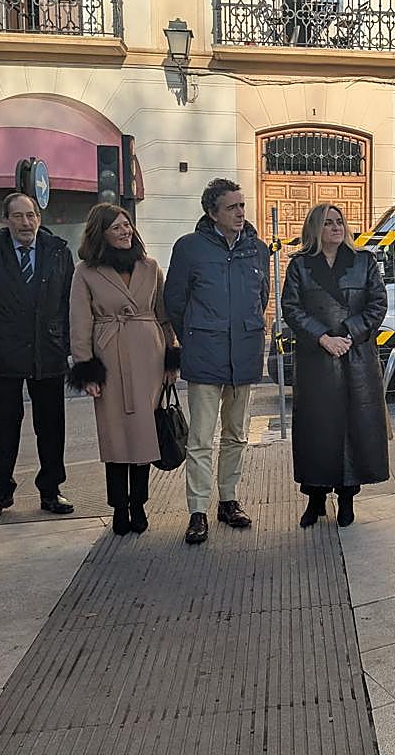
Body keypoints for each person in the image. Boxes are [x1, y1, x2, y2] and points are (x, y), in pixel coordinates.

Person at [164, 178, 270, 545]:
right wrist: (194, 336)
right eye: (232, 207)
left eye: (242, 206)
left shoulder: (257, 249)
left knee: (237, 434)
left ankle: (228, 500)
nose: (241, 213)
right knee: (200, 438)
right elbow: (174, 301)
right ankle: (197, 510)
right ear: (212, 213)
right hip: (205, 353)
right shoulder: (189, 248)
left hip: (243, 352)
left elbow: (262, 296)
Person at [0, 193, 75, 520]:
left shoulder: (58, 252)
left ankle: (51, 490)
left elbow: (70, 302)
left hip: (48, 354)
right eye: (19, 217)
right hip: (4, 355)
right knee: (3, 427)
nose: (27, 223)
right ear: (5, 220)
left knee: (51, 427)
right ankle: (0, 491)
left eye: (32, 216)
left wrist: (65, 344)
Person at [67, 204, 178, 535]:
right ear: (100, 233)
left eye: (127, 225)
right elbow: (80, 321)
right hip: (110, 358)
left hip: (149, 358)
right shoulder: (85, 272)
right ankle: (118, 507)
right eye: (116, 227)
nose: (125, 231)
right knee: (116, 437)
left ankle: (139, 503)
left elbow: (163, 314)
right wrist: (86, 369)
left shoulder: (150, 267)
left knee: (144, 434)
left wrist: (172, 357)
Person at [281, 203, 390, 528]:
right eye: (328, 223)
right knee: (317, 429)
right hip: (317, 360)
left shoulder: (364, 261)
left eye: (339, 222)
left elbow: (378, 304)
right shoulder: (300, 265)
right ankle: (315, 500)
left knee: (353, 428)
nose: (335, 228)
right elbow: (291, 307)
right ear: (316, 228)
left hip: (355, 359)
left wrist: (347, 334)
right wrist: (322, 338)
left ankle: (346, 499)